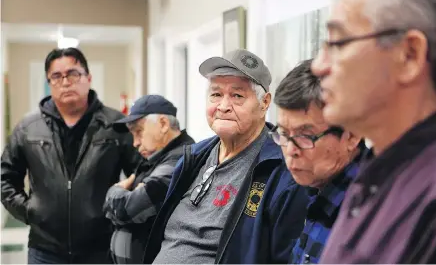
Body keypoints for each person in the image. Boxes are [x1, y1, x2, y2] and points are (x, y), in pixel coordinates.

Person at [311, 0, 436, 263]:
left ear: (409, 55)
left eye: (337, 43)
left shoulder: (434, 199)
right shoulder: (377, 169)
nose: (318, 66)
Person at [143, 49, 309, 264]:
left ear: (265, 103)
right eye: (216, 94)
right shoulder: (193, 157)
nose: (223, 106)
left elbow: (285, 257)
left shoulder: (282, 168)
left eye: (237, 96)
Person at [1, 48, 143, 264]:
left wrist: (121, 208)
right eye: (56, 76)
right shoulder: (28, 128)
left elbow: (142, 171)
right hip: (44, 250)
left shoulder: (117, 125)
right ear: (49, 83)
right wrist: (30, 211)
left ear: (88, 78)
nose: (65, 82)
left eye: (73, 73)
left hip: (101, 248)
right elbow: (6, 178)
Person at [271, 59, 365, 264]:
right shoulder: (318, 188)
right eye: (284, 134)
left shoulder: (368, 214)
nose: (291, 150)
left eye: (306, 135)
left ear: (351, 135)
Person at [103, 95, 195, 264]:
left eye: (139, 131)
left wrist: (114, 191)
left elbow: (128, 209)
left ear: (163, 124)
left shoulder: (179, 159)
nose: (135, 143)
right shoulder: (154, 159)